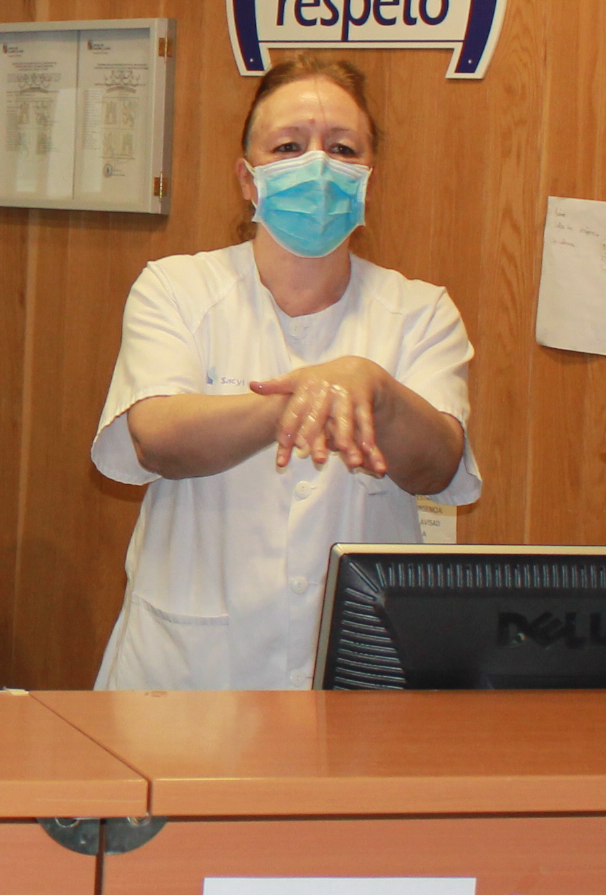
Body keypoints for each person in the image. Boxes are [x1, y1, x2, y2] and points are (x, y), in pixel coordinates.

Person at [90, 55, 480, 690]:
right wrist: (307, 398)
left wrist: (376, 390)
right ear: (248, 179)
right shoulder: (176, 288)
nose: (318, 165)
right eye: (289, 147)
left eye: (343, 148)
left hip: (357, 671)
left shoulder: (420, 312)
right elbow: (156, 437)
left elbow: (438, 466)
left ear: (368, 178)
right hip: (190, 676)